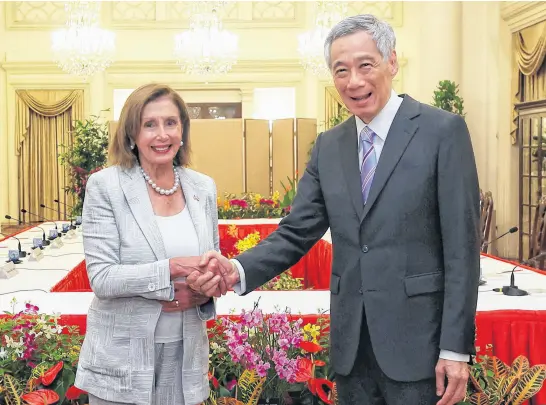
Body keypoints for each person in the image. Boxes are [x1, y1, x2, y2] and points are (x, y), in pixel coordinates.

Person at [190, 14, 480, 405]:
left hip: (420, 347)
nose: (354, 81)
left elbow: (462, 251)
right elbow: (297, 230)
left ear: (392, 62)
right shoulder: (329, 146)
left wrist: (455, 349)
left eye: (366, 65)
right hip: (351, 347)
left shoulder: (441, 131)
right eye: (340, 70)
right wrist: (237, 269)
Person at [75, 83, 223, 405]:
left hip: (185, 359)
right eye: (149, 124)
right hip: (121, 361)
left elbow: (213, 262)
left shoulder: (203, 188)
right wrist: (171, 271)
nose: (162, 134)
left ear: (182, 129)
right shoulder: (106, 186)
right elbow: (102, 277)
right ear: (131, 134)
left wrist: (205, 288)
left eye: (171, 122)